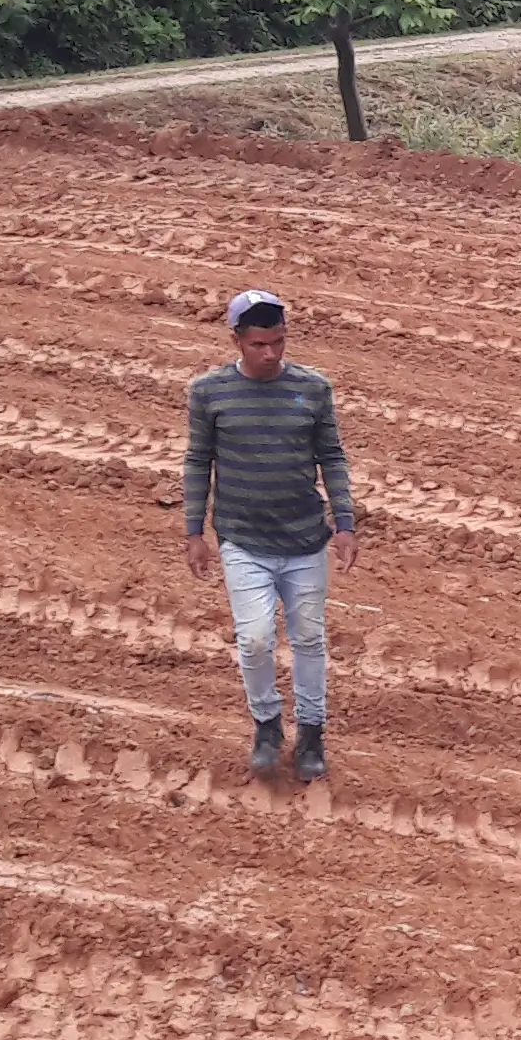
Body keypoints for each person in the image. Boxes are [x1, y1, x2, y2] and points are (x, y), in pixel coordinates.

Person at [183, 289, 359, 780]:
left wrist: (344, 523)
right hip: (243, 538)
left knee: (307, 637)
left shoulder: (313, 389)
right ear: (237, 340)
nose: (271, 354)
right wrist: (193, 532)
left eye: (279, 342)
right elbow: (199, 461)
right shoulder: (209, 392)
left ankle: (311, 734)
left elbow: (333, 458)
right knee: (256, 639)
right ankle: (266, 723)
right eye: (260, 344)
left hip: (305, 539)